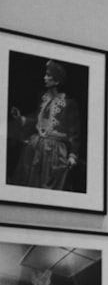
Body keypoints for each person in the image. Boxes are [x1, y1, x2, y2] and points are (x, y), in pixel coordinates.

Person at [9, 59, 81, 191]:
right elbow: (37, 119)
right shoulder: (43, 97)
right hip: (36, 147)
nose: (45, 78)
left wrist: (72, 155)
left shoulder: (69, 103)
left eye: (48, 75)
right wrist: (20, 118)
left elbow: (74, 131)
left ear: (57, 80)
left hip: (55, 151)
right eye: (45, 74)